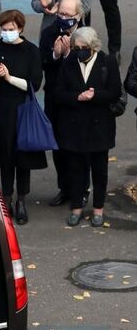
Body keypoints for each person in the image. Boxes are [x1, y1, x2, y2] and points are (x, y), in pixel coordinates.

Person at [0, 10, 46, 225]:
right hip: (0, 109)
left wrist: (8, 77)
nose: (7, 33)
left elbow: (33, 84)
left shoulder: (31, 51)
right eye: (4, 30)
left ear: (20, 29)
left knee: (23, 157)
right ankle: (6, 196)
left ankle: (21, 200)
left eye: (11, 30)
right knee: (4, 156)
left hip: (22, 109)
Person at [54, 27, 120, 227]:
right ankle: (77, 207)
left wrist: (95, 95)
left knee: (99, 169)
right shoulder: (69, 63)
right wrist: (77, 97)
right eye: (76, 48)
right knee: (75, 168)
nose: (79, 51)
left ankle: (98, 208)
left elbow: (115, 92)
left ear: (93, 47)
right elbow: (58, 94)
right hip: (74, 126)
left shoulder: (107, 62)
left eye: (83, 48)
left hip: (100, 126)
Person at [40, 0, 84, 208]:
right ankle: (64, 188)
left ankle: (81, 189)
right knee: (57, 147)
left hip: (78, 101)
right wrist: (56, 55)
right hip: (55, 101)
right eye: (61, 13)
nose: (63, 17)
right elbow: (43, 63)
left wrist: (68, 56)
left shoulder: (86, 37)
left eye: (68, 14)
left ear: (79, 16)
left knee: (77, 148)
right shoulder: (49, 34)